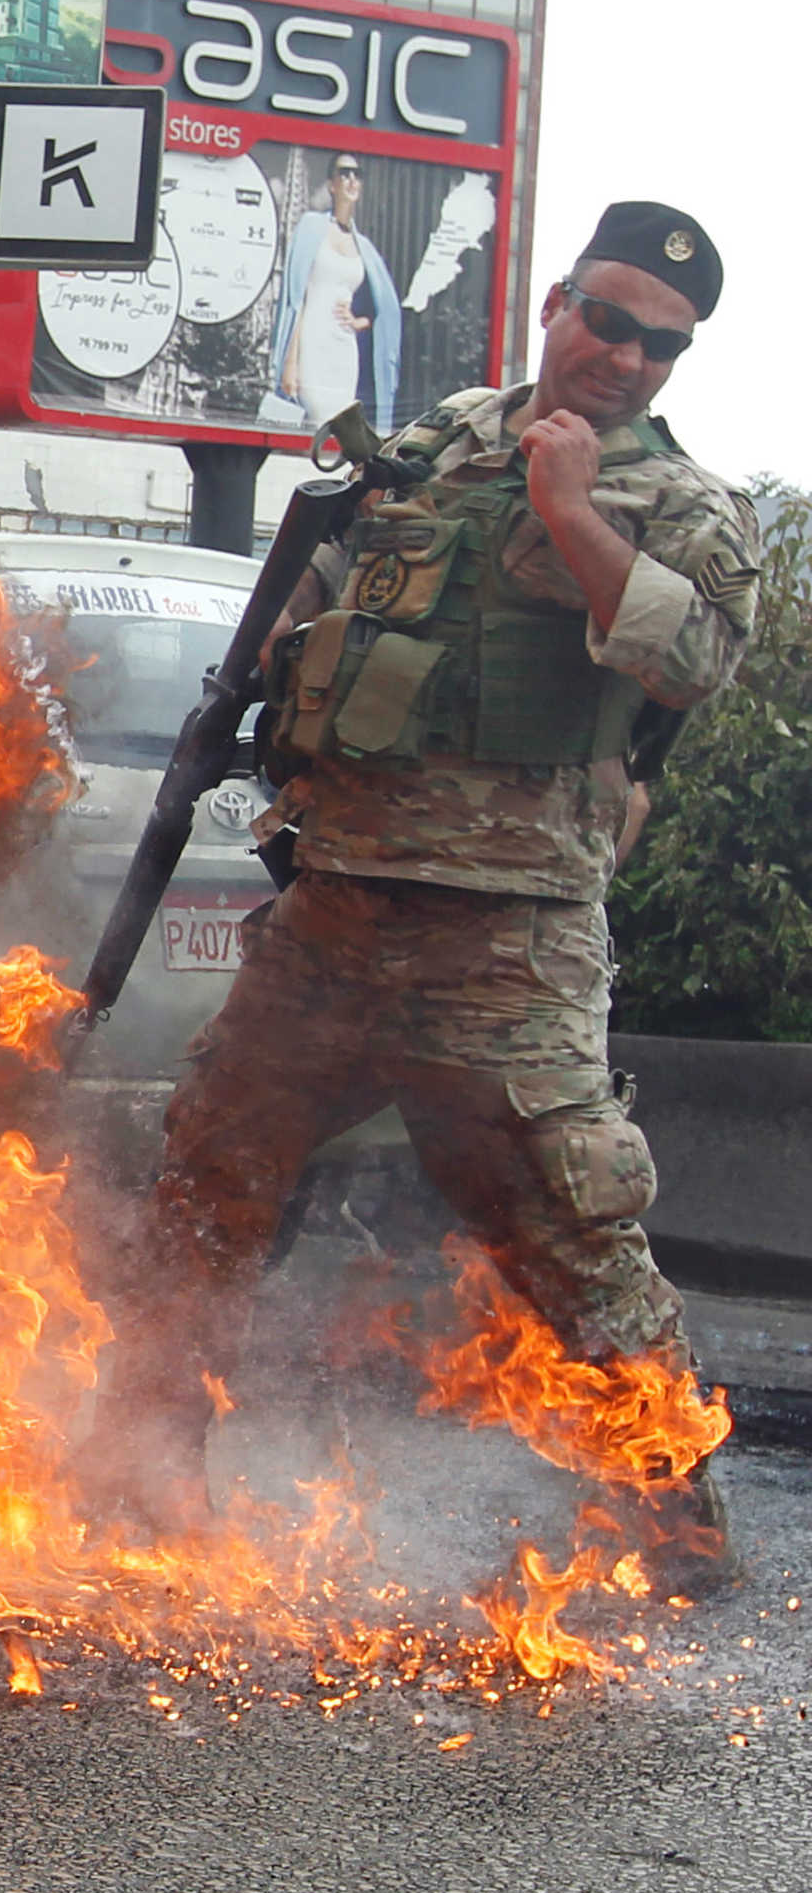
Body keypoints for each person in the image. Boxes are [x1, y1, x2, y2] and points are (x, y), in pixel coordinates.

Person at [84, 201, 762, 1580]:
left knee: (570, 1234)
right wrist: (284, 639)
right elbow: (334, 571)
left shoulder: (681, 504)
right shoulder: (447, 443)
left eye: (663, 347)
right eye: (611, 321)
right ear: (558, 302)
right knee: (207, 1180)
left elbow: (693, 662)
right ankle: (134, 1473)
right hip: (335, 910)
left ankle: (676, 1522)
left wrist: (572, 511)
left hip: (506, 943)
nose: (629, 359)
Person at [272, 154, 404, 430]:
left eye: (357, 174)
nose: (352, 179)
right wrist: (290, 361)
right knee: (316, 420)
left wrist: (358, 322)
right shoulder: (311, 227)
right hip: (311, 343)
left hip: (344, 351)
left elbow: (384, 310)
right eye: (344, 173)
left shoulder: (365, 247)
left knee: (337, 430)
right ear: (331, 184)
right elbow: (298, 299)